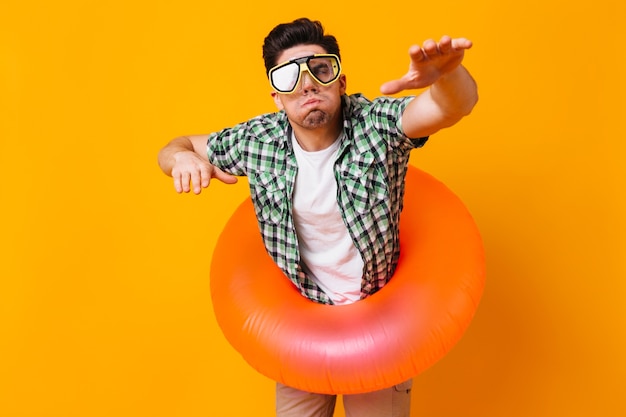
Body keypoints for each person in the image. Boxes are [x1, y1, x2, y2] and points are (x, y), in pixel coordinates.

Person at [158, 17, 477, 417]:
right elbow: (175, 147)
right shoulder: (259, 141)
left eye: (321, 70)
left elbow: (451, 106)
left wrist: (448, 75)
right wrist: (181, 158)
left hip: (381, 329)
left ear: (340, 81)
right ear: (276, 96)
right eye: (290, 76)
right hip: (302, 328)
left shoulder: (375, 127)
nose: (307, 83)